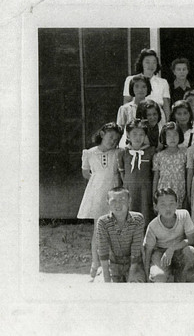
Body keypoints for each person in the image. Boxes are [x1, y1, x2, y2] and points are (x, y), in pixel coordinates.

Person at [77, 122, 122, 279]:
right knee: (98, 229)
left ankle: (109, 263)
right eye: (110, 137)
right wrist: (97, 182)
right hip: (97, 194)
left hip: (113, 193)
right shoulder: (89, 153)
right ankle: (95, 263)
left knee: (114, 228)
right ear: (102, 134)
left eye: (116, 139)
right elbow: (85, 173)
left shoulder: (118, 152)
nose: (113, 141)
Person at [142, 188, 194, 282]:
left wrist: (172, 249)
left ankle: (180, 278)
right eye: (163, 205)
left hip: (179, 250)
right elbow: (148, 253)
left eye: (171, 203)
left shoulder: (184, 215)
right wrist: (146, 276)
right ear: (155, 207)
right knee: (159, 276)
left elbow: (191, 240)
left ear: (177, 204)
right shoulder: (153, 226)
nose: (168, 208)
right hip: (161, 253)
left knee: (190, 251)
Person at [96, 187, 145, 283]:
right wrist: (107, 278)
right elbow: (102, 250)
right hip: (112, 264)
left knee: (136, 286)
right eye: (113, 201)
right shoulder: (103, 222)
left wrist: (131, 277)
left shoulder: (138, 219)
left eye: (122, 200)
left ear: (129, 201)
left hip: (133, 265)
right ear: (107, 203)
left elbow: (136, 249)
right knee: (102, 287)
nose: (118, 204)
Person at [118, 120, 154, 227]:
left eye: (141, 134)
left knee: (145, 213)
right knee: (129, 213)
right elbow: (121, 173)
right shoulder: (123, 152)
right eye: (134, 134)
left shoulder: (151, 151)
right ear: (128, 135)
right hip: (129, 188)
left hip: (145, 188)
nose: (138, 137)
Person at [122, 48, 171, 121]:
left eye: (154, 62)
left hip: (157, 118)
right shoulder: (131, 79)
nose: (151, 65)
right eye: (147, 62)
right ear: (141, 63)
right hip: (136, 117)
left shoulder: (163, 82)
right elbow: (126, 102)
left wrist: (167, 124)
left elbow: (166, 106)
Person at [153, 122, 187, 208]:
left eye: (175, 135)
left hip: (179, 190)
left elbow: (187, 175)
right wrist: (154, 196)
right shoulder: (159, 156)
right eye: (169, 135)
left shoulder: (184, 154)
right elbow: (156, 178)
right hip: (163, 191)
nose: (172, 138)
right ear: (164, 137)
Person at [116, 74, 149, 148]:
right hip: (129, 145)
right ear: (132, 88)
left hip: (148, 145)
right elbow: (119, 130)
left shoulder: (153, 107)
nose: (140, 90)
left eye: (144, 87)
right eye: (136, 86)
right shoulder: (125, 108)